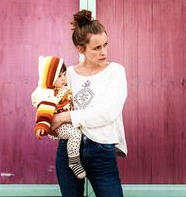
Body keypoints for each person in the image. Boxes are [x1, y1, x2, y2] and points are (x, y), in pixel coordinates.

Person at [51, 10, 128, 197]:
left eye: (105, 45)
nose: (103, 52)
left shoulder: (115, 72)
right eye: (96, 48)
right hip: (68, 149)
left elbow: (108, 112)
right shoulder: (68, 74)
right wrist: (49, 120)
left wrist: (65, 117)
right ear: (80, 49)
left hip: (101, 149)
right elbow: (55, 103)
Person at [31, 56, 86, 179]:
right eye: (59, 76)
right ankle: (74, 162)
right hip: (59, 126)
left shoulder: (64, 88)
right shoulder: (49, 94)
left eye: (64, 75)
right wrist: (42, 125)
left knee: (79, 132)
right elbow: (44, 109)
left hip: (69, 121)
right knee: (75, 134)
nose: (64, 79)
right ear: (49, 79)